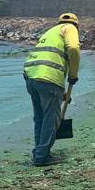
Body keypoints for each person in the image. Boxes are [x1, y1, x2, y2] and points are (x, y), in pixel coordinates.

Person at [23, 13, 80, 166]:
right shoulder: (70, 28)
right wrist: (73, 75)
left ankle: (39, 152)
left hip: (31, 76)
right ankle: (42, 157)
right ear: (76, 25)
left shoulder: (50, 32)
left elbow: (50, 58)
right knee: (50, 118)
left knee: (40, 118)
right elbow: (73, 48)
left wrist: (62, 93)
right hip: (48, 78)